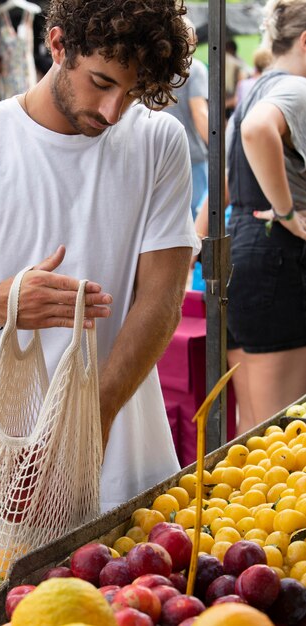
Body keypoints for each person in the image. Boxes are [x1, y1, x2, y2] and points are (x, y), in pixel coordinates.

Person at [0, 0, 200, 578]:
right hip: (14, 479)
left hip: (134, 469)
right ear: (57, 45)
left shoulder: (159, 143)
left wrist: (88, 425)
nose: (113, 111)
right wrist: (0, 302)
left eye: (131, 94)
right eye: (101, 82)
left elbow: (160, 299)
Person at [226, 0, 306, 435]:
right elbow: (257, 132)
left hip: (242, 254)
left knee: (252, 431)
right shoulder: (296, 89)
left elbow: (226, 182)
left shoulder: (253, 89)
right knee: (284, 433)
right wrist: (288, 212)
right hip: (276, 258)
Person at [165, 19, 209, 218]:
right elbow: (200, 114)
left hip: (157, 155)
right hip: (190, 156)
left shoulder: (148, 69)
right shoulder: (194, 68)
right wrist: (221, 150)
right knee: (194, 217)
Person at [225, 39, 248, 119]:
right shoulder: (230, 66)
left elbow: (240, 97)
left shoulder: (239, 69)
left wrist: (225, 104)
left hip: (235, 113)